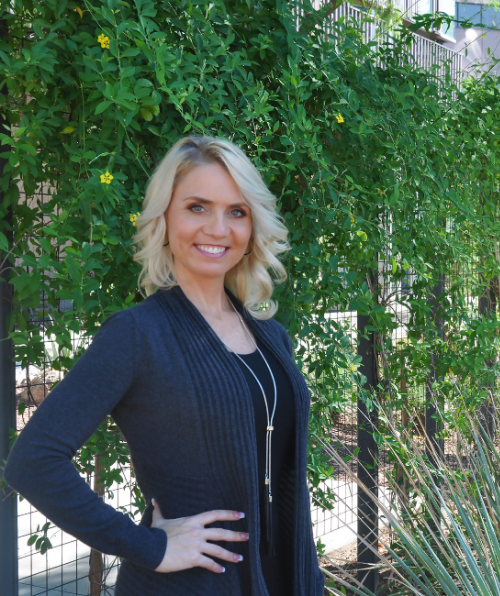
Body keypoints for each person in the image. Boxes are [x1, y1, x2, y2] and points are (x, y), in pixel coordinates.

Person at [4, 136, 325, 596]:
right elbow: (32, 462)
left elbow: (286, 477)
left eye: (237, 211)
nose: (218, 228)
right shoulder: (137, 334)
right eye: (197, 207)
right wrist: (149, 546)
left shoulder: (271, 336)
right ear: (165, 217)